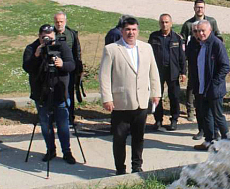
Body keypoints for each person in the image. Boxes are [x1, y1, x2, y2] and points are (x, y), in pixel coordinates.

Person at [98, 17, 161, 174]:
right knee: (119, 138)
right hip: (120, 102)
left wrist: (156, 93)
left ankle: (137, 166)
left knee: (138, 137)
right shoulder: (111, 49)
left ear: (138, 31)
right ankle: (120, 168)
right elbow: (104, 75)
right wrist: (107, 98)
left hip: (141, 102)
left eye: (133, 30)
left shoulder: (147, 48)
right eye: (127, 30)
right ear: (121, 31)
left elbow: (154, 72)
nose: (131, 33)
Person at [23, 24, 77, 164]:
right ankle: (50, 150)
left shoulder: (62, 46)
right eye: (44, 37)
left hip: (60, 93)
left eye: (50, 37)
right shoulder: (32, 48)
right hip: (41, 93)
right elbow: (27, 68)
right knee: (46, 124)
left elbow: (72, 65)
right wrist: (36, 55)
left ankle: (67, 151)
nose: (47, 40)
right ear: (39, 36)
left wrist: (62, 64)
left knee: (63, 124)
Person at [187, 20, 230, 151]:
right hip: (200, 88)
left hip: (214, 89)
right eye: (198, 31)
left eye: (203, 31)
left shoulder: (216, 44)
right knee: (205, 115)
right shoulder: (197, 44)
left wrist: (214, 83)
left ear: (210, 31)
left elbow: (225, 66)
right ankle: (209, 140)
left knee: (218, 116)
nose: (200, 33)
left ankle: (227, 143)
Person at [180, 0, 221, 120]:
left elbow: (218, 35)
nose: (199, 9)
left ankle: (207, 108)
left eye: (202, 7)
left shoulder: (211, 22)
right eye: (197, 7)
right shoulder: (188, 24)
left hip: (208, 57)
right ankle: (190, 110)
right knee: (192, 84)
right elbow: (182, 39)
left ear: (205, 8)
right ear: (194, 8)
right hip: (193, 57)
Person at [148, 14, 186, 131]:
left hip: (173, 71)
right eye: (162, 22)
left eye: (167, 22)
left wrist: (183, 72)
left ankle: (174, 120)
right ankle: (158, 120)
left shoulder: (177, 38)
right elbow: (148, 54)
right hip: (157, 71)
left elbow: (182, 57)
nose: (164, 24)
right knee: (157, 96)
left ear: (171, 23)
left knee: (174, 96)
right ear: (159, 23)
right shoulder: (154, 37)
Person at [53, 11, 83, 122]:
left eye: (61, 21)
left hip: (69, 68)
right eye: (57, 22)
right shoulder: (51, 34)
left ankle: (70, 117)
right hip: (54, 69)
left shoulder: (72, 34)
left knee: (69, 92)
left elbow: (77, 51)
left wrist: (79, 68)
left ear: (65, 21)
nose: (59, 24)